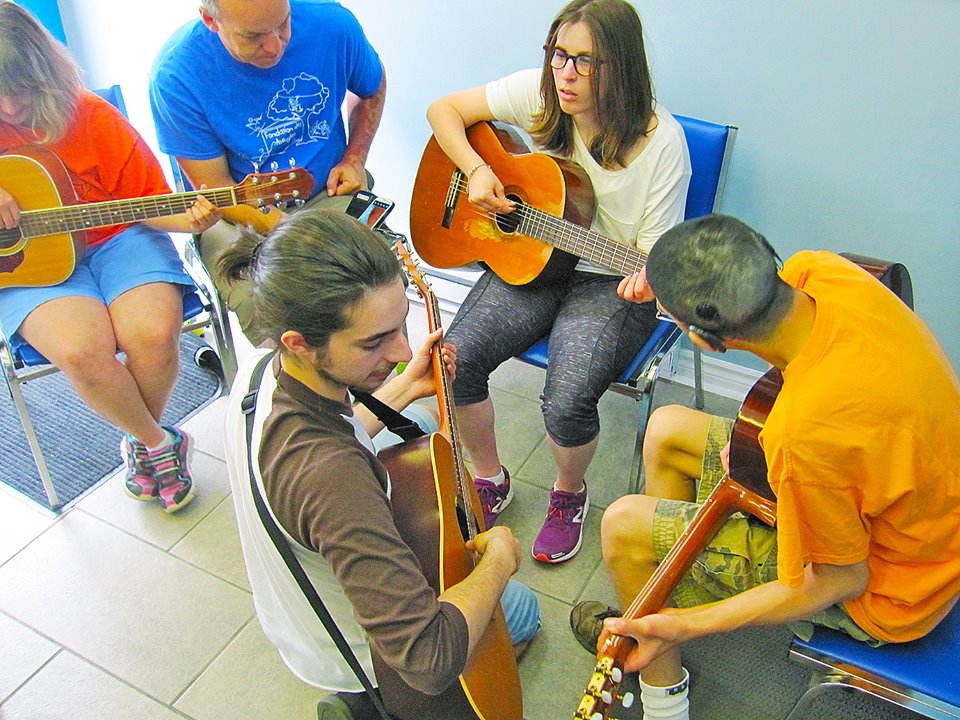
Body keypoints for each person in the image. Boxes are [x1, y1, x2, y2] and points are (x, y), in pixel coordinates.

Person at [571, 214, 960, 720]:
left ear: (707, 341)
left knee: (622, 526)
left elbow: (842, 579)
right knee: (666, 428)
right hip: (915, 498)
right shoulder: (822, 273)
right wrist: (669, 280)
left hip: (897, 588)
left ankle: (664, 692)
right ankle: (676, 593)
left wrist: (688, 628)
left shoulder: (800, 439)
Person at [220, 209, 540, 720]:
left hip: (296, 623)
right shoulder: (331, 478)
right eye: (373, 342)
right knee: (521, 607)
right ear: (299, 342)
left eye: (399, 325)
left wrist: (408, 384)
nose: (402, 349)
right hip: (362, 654)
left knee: (411, 414)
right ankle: (375, 707)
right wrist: (500, 557)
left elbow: (337, 432)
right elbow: (426, 658)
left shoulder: (262, 370)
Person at [425, 0, 691, 564]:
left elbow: (650, 261)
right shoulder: (544, 95)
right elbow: (442, 109)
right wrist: (477, 170)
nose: (564, 74)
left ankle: (568, 493)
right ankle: (489, 476)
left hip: (611, 280)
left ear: (620, 67)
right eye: (558, 55)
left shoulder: (663, 145)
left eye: (584, 62)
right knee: (454, 358)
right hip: (533, 258)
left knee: (567, 398)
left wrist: (651, 280)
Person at [0, 2, 222, 512]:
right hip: (29, 266)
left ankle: (143, 441)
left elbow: (151, 203)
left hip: (119, 239)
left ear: (47, 71)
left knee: (150, 335)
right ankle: (158, 443)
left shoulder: (91, 115)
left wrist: (192, 218)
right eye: (0, 91)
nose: (11, 107)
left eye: (25, 88)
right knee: (81, 350)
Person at [149, 0, 386, 343]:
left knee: (372, 288)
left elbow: (371, 85)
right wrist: (293, 232)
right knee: (269, 307)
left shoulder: (331, 22)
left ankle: (385, 393)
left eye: (283, 24)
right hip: (235, 213)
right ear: (210, 20)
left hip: (325, 193)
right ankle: (295, 395)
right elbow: (217, 187)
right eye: (253, 36)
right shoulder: (175, 75)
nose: (275, 45)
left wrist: (355, 156)